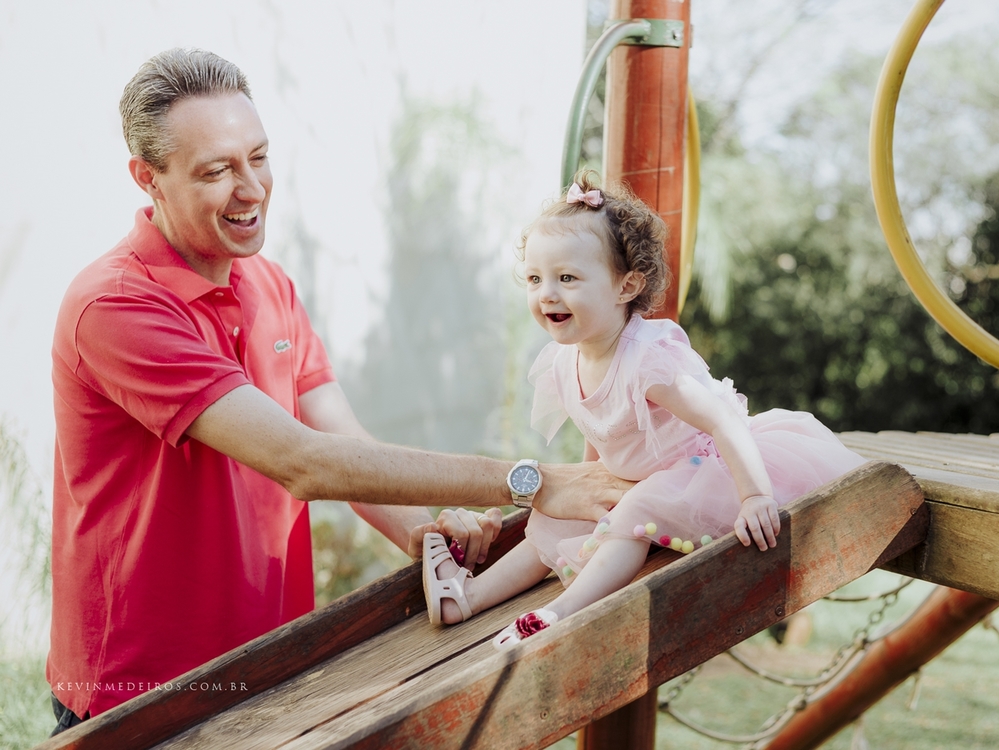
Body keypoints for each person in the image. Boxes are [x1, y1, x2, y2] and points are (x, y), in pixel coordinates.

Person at [47, 49, 626, 733]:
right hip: (141, 690)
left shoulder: (267, 282)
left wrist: (422, 532)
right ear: (149, 179)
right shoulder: (116, 308)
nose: (251, 188)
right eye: (216, 171)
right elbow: (305, 463)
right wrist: (534, 482)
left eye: (258, 157)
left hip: (271, 665)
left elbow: (339, 441)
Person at [422, 173, 868, 648]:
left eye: (567, 278)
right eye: (535, 279)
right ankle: (465, 597)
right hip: (636, 476)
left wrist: (754, 496)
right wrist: (586, 487)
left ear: (626, 286)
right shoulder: (563, 360)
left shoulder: (648, 361)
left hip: (697, 470)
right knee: (552, 521)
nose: (546, 293)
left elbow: (721, 420)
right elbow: (602, 429)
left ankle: (559, 612)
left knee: (633, 514)